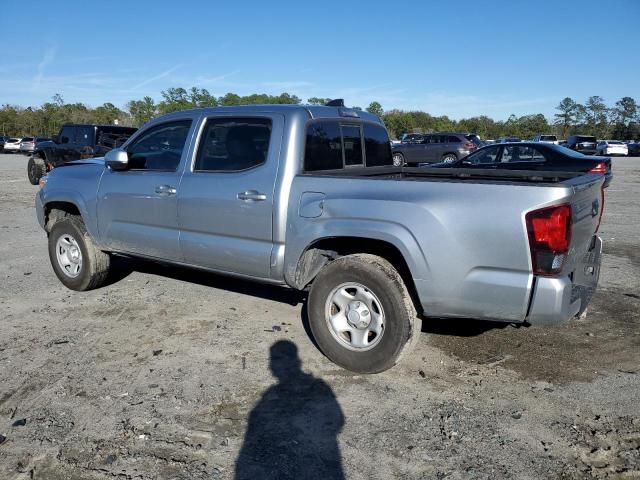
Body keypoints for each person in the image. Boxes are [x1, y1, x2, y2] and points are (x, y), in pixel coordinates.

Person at [234, 340, 345, 480]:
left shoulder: (315, 388)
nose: (272, 366)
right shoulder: (318, 387)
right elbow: (338, 421)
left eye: (275, 360)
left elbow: (337, 421)